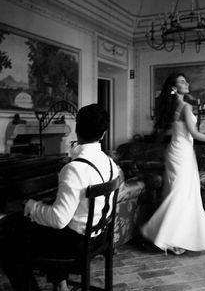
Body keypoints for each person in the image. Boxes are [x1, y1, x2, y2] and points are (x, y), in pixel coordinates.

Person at [1, 104, 119, 291]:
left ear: (77, 130)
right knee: (36, 225)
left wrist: (27, 205)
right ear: (104, 133)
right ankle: (61, 285)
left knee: (8, 243)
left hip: (76, 245)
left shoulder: (74, 168)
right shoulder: (109, 162)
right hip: (99, 237)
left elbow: (58, 220)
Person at [141, 73, 205, 255]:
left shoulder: (173, 107)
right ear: (174, 88)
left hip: (177, 152)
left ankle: (173, 236)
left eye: (187, 80)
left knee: (180, 193)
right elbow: (194, 134)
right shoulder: (185, 107)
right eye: (183, 81)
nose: (187, 83)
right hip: (182, 153)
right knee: (180, 195)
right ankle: (169, 237)